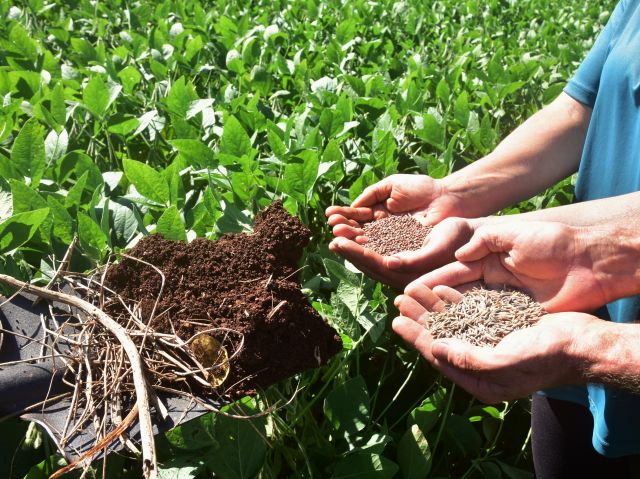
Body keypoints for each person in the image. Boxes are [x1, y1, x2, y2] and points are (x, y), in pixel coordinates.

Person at [326, 0, 640, 476]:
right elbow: (582, 108)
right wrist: (454, 196)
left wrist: (599, 349)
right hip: (574, 299)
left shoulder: (574, 340)